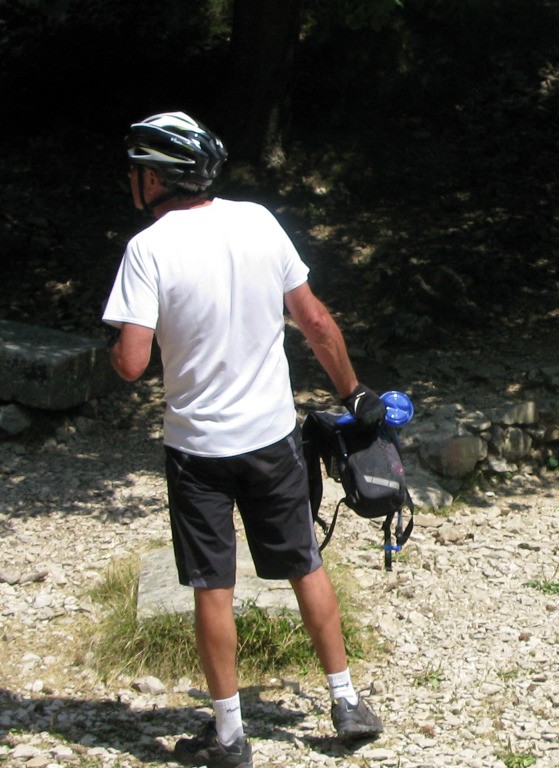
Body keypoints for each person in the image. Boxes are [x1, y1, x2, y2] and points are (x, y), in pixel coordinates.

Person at [103, 112, 385, 768]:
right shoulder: (258, 221)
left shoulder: (147, 249)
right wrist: (353, 393)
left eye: (137, 170)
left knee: (212, 586)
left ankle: (229, 737)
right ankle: (345, 702)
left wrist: (113, 337)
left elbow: (131, 364)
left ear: (157, 178)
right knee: (304, 563)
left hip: (198, 449)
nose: (132, 181)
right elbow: (313, 320)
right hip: (271, 437)